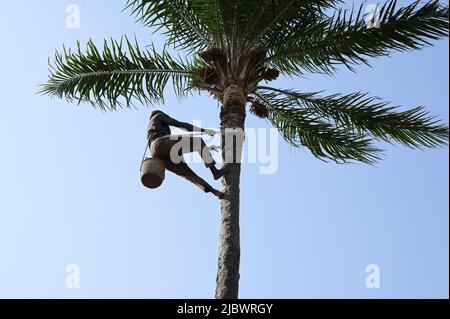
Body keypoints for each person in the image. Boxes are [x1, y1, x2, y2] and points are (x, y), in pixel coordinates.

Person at [147, 110, 228, 199]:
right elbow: (181, 125)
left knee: (188, 174)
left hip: (157, 153)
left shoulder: (150, 126)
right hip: (160, 143)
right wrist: (204, 131)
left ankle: (215, 192)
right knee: (197, 141)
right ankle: (215, 172)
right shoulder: (159, 115)